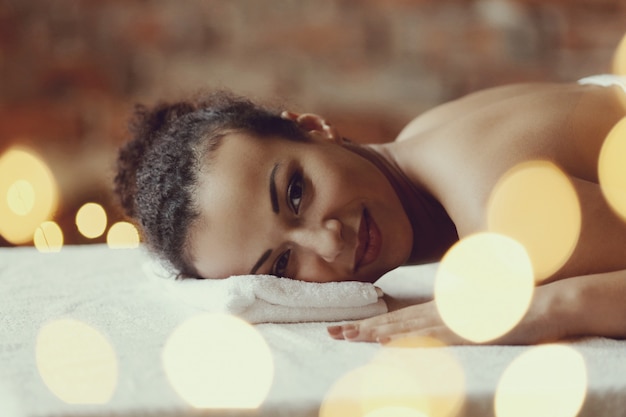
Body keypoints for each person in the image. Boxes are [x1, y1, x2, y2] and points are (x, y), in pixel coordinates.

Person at [115, 75, 626, 345]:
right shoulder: (422, 135)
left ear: (312, 126)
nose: (329, 241)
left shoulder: (500, 216)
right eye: (281, 265)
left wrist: (556, 305)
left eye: (296, 193)